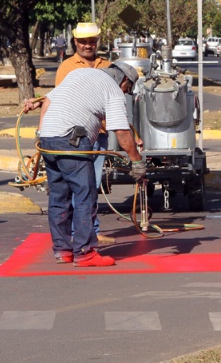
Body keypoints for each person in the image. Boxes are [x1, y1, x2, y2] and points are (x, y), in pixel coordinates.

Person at [25, 62, 146, 267]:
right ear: (124, 80)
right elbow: (121, 131)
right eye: (128, 88)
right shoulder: (112, 90)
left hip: (48, 139)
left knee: (59, 196)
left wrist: (42, 133)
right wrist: (137, 162)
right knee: (85, 195)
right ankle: (85, 252)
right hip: (72, 141)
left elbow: (48, 101)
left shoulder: (79, 74)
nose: (126, 92)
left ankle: (63, 250)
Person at [25, 22, 114, 244]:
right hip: (74, 137)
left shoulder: (107, 65)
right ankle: (79, 234)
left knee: (91, 186)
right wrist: (38, 106)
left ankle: (88, 230)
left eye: (92, 42)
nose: (87, 46)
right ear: (75, 42)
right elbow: (58, 97)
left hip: (98, 133)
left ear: (97, 42)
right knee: (77, 187)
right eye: (83, 42)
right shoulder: (67, 66)